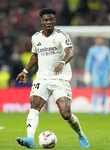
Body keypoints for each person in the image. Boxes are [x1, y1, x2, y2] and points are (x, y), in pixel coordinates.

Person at [16, 8, 89, 148]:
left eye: (51, 19)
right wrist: (25, 70)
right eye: (46, 20)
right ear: (41, 21)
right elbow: (35, 56)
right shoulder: (36, 37)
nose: (48, 22)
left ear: (55, 20)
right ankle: (29, 139)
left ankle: (81, 134)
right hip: (42, 79)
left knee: (66, 114)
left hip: (59, 80)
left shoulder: (62, 35)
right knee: (34, 106)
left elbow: (70, 51)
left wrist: (62, 62)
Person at [83, 37, 110, 114]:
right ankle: (94, 108)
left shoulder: (107, 50)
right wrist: (87, 71)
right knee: (95, 89)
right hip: (96, 73)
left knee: (104, 89)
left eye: (101, 39)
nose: (99, 41)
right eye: (98, 39)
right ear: (95, 40)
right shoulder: (92, 50)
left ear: (103, 40)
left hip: (105, 73)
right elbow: (89, 61)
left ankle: (104, 109)